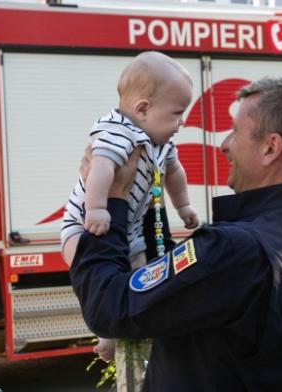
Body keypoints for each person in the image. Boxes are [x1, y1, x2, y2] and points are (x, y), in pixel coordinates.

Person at [69, 77, 282, 391]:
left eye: (236, 131)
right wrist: (142, 199)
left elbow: (110, 307)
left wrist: (113, 198)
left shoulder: (235, 249)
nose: (225, 144)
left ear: (271, 148)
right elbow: (174, 288)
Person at [60, 52, 199, 360]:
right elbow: (100, 168)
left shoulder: (161, 142)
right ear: (143, 109)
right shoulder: (117, 132)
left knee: (135, 282)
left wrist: (184, 206)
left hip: (130, 230)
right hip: (81, 226)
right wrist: (96, 208)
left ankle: (122, 327)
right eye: (176, 114)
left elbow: (175, 173)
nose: (182, 122)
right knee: (92, 272)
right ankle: (105, 334)